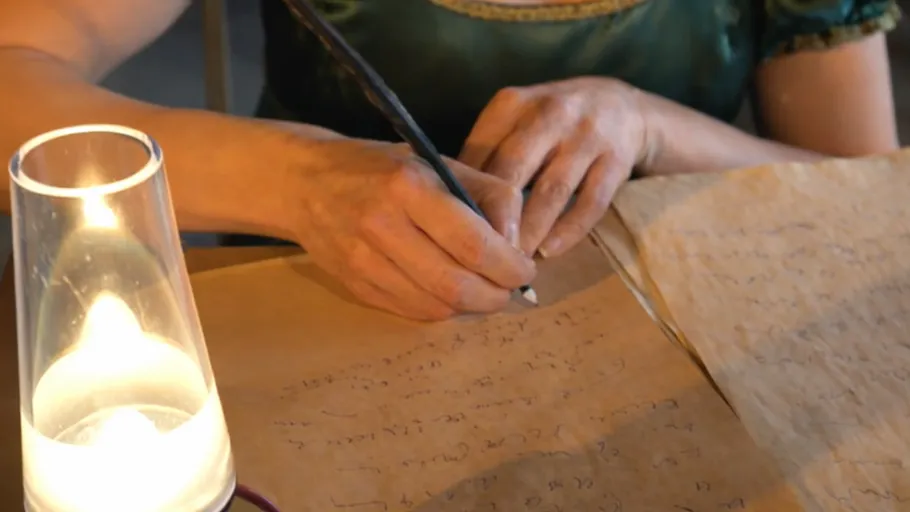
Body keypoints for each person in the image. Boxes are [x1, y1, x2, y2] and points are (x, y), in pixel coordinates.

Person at [0, 0, 900, 321]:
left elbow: (872, 201)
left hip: (670, 340)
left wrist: (651, 127)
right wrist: (300, 179)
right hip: (317, 313)